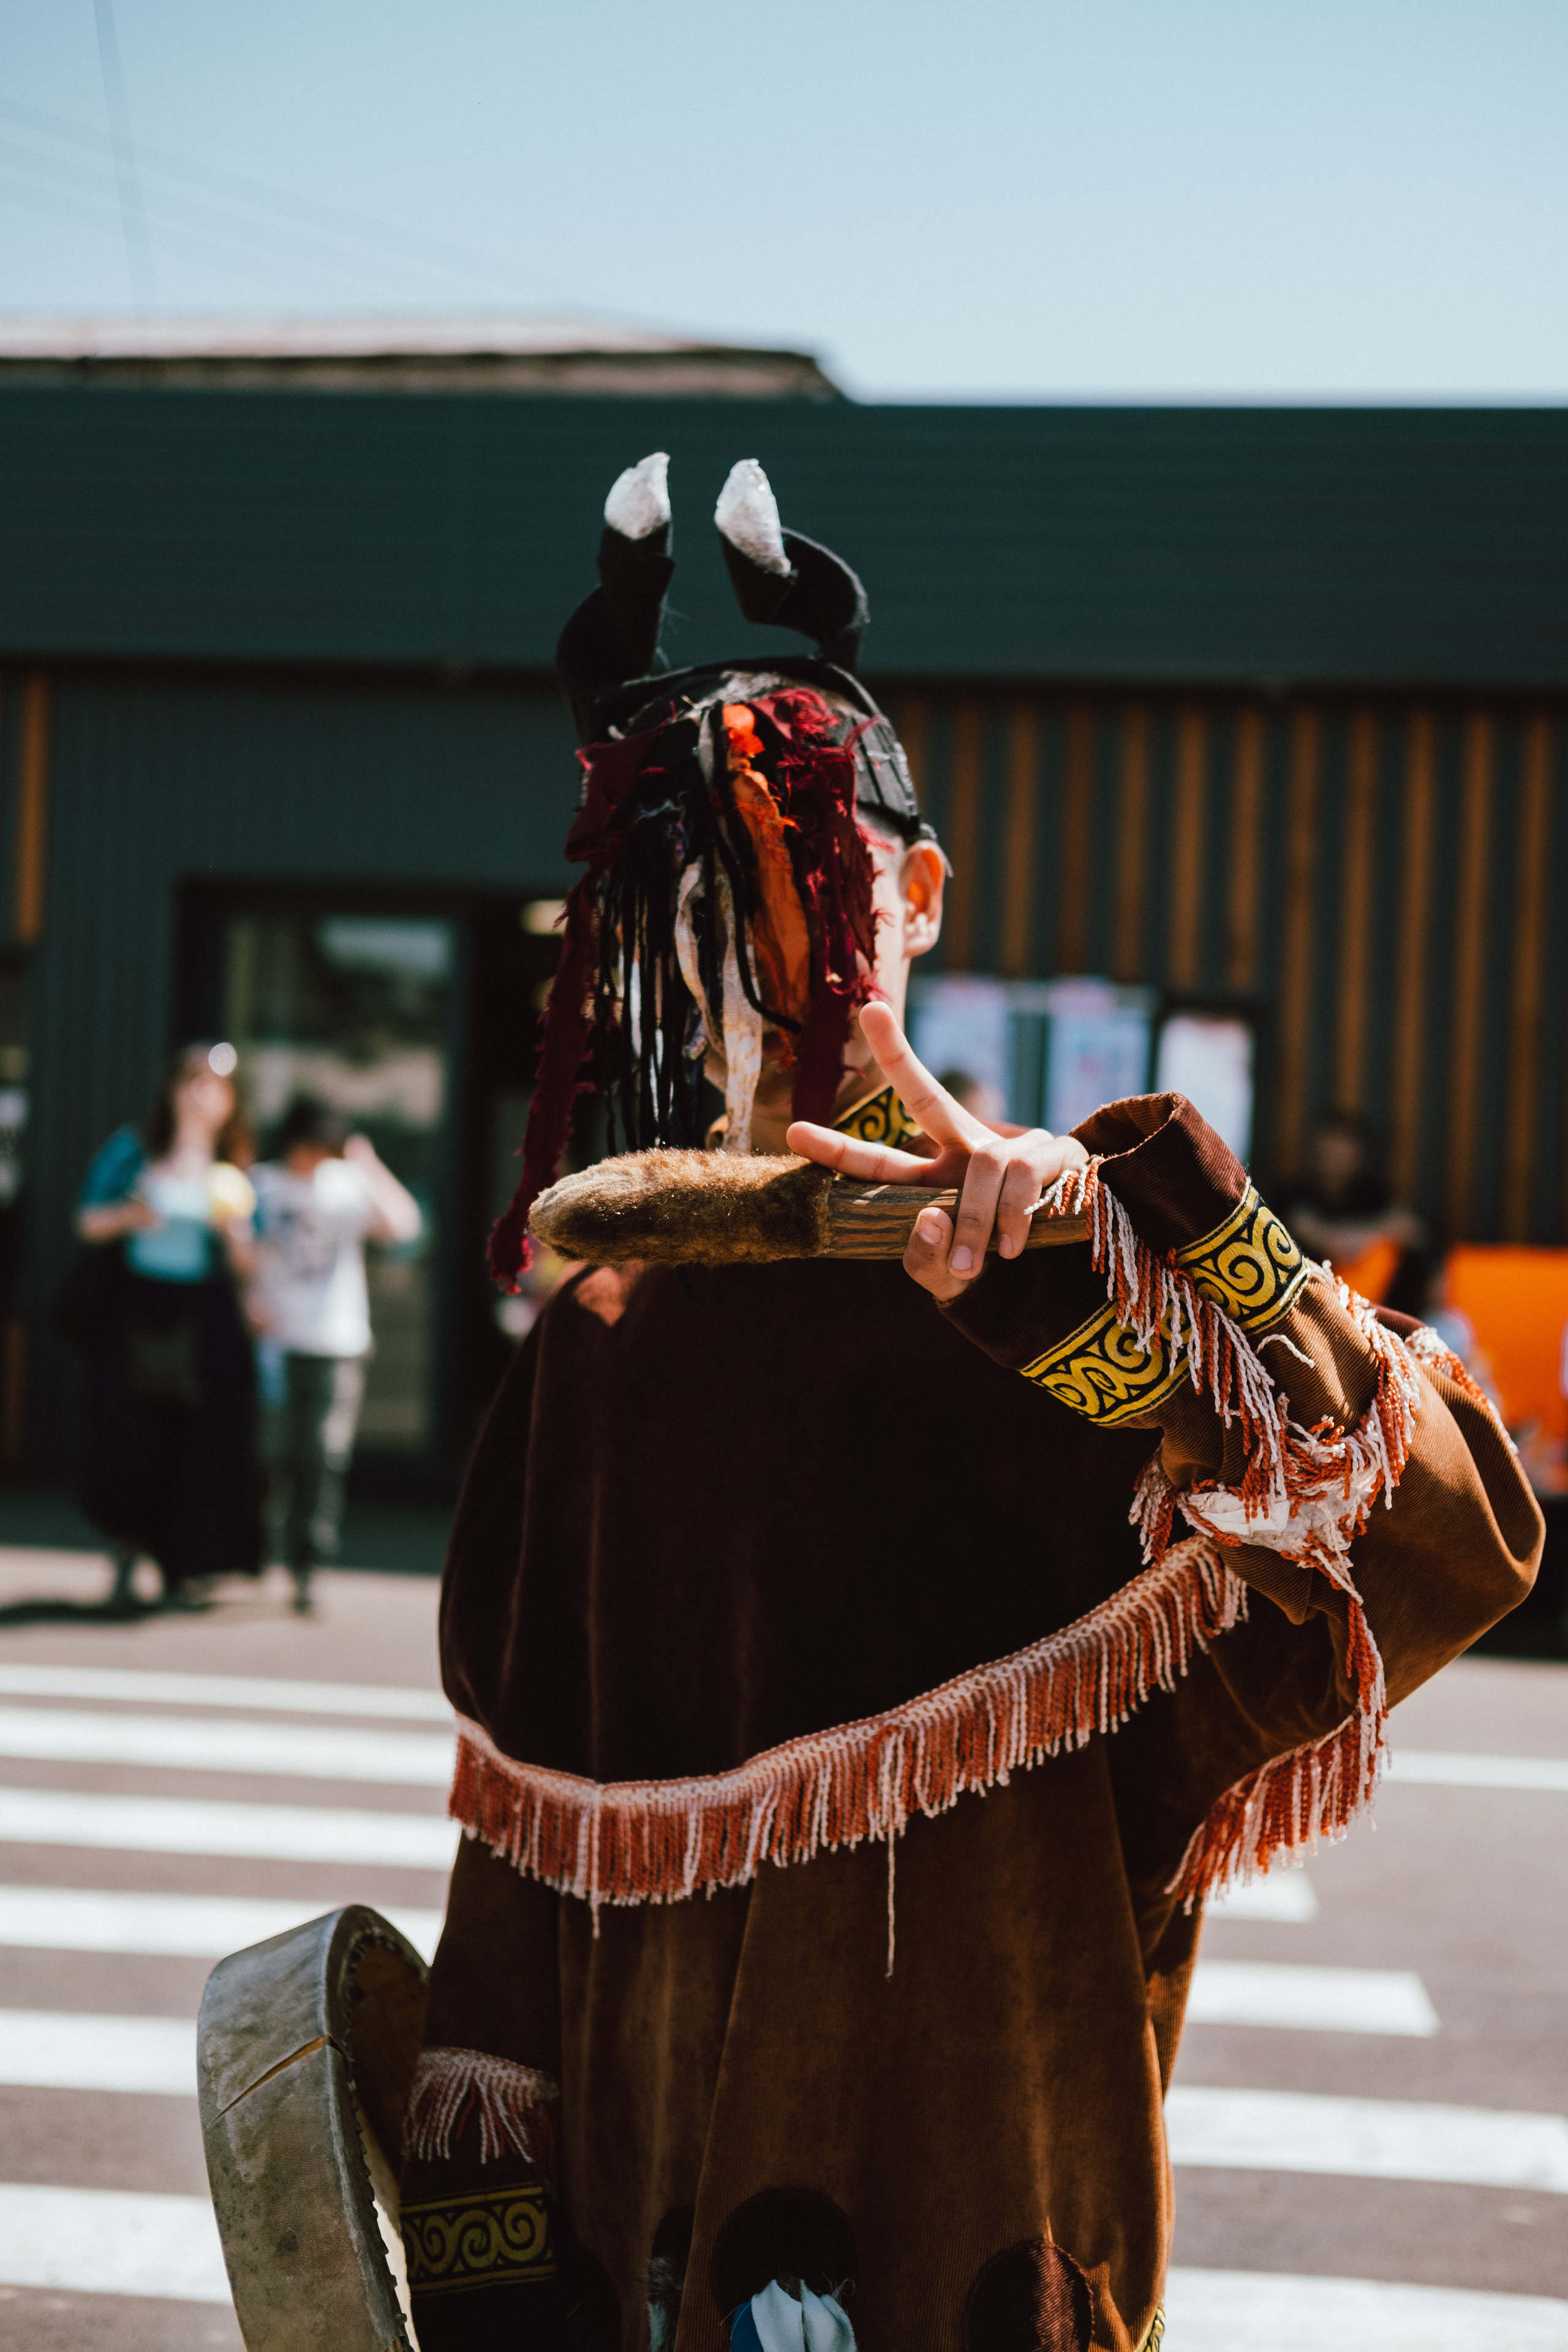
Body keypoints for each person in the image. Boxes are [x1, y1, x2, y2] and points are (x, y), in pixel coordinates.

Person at [375, 461, 1542, 2352]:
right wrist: (492, 2268)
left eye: (798, 892)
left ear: (917, 893)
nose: (741, 968)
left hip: (967, 2258)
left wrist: (1158, 1256)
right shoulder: (603, 1319)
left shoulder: (1063, 1283)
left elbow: (1439, 1543)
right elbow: (509, 1901)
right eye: (678, 907)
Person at [72, 1041, 260, 1612]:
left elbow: (248, 1265)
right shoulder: (135, 1149)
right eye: (192, 1082)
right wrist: (132, 1215)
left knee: (193, 1442)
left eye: (215, 1086)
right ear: (172, 1090)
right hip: (135, 1313)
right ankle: (126, 1558)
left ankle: (180, 1568)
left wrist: (236, 1236)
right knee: (131, 1440)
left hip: (203, 1318)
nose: (202, 1096)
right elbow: (88, 1221)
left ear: (231, 1101)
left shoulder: (234, 1167)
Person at [248, 1098, 422, 1614]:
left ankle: (309, 1567)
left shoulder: (347, 1185)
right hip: (275, 1344)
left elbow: (406, 1227)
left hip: (337, 1342)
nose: (313, 1159)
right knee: (270, 1455)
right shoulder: (262, 1184)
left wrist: (368, 1165)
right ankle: (260, 1551)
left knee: (323, 1456)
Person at [1287, 1106, 1425, 1300]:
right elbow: (1331, 1244)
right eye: (1329, 1141)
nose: (1334, 1150)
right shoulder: (1296, 1196)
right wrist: (1367, 1237)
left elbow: (1412, 1229)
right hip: (1308, 1300)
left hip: (1369, 1302)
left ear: (1360, 1154)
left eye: (1343, 1142)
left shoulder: (1371, 1194)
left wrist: (1365, 1238)